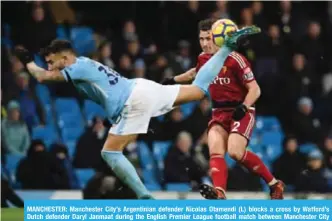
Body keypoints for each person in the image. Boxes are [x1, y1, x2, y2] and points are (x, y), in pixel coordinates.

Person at [14, 25, 259, 199]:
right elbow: (47, 74)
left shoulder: (75, 66)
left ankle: (145, 197)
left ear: (65, 57)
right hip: (141, 87)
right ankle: (226, 49)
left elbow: (43, 78)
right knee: (197, 90)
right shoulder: (85, 63)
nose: (49, 65)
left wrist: (27, 61)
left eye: (51, 60)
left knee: (109, 152)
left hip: (133, 101)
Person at [162, 19, 284, 199]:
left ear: (218, 37)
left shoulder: (236, 59)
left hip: (240, 110)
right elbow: (194, 73)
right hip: (218, 111)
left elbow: (255, 89)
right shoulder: (203, 58)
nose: (204, 43)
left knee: (235, 152)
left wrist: (244, 106)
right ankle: (220, 192)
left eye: (208, 38)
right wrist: (173, 80)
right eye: (201, 39)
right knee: (215, 150)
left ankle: (274, 184)